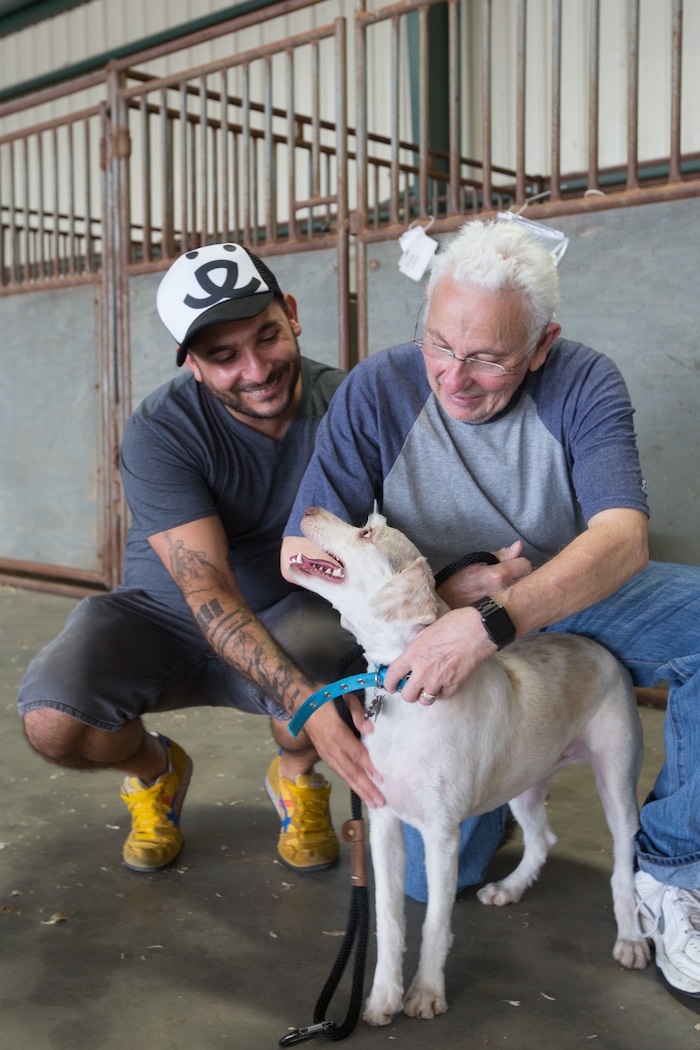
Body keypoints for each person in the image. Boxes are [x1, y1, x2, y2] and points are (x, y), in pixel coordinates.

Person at [281, 218, 700, 1000]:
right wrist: (442, 596)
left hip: (564, 593)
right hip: (441, 612)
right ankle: (504, 797)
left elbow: (623, 539)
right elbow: (298, 554)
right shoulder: (380, 387)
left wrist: (496, 618)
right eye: (440, 344)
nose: (453, 377)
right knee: (438, 874)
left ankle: (672, 870)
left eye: (488, 359)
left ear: (541, 346)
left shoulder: (584, 380)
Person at [18, 241, 382, 877]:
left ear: (292, 314)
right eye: (223, 356)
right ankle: (154, 771)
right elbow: (208, 589)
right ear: (191, 363)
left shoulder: (346, 405)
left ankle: (295, 776)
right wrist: (308, 706)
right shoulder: (161, 430)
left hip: (288, 609)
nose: (255, 368)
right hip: (166, 611)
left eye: (266, 336)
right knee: (54, 721)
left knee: (332, 659)